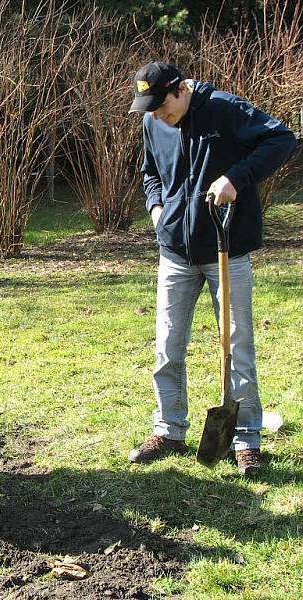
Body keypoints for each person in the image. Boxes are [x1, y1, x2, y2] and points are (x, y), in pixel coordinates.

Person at [127, 62, 296, 475]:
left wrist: (236, 178)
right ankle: (169, 429)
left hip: (226, 249)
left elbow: (282, 138)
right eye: (148, 108)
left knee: (237, 346)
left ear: (181, 89)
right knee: (167, 345)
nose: (156, 115)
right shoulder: (154, 123)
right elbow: (151, 173)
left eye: (161, 105)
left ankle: (246, 439)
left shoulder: (224, 110)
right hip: (174, 253)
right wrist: (155, 208)